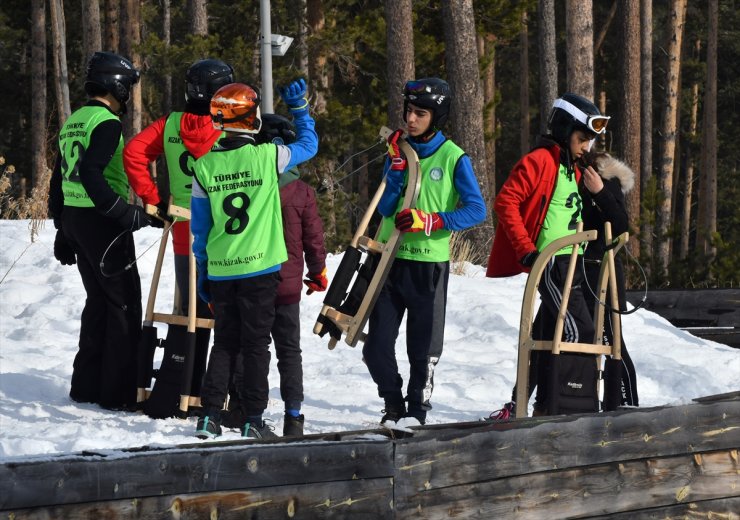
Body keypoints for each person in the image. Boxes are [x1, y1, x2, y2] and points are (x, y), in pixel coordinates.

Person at [191, 79, 319, 439]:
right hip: (260, 268)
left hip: (221, 269)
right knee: (256, 346)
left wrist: (203, 271)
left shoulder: (203, 167)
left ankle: (209, 415)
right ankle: (252, 418)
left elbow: (200, 229)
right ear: (252, 120)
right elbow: (309, 144)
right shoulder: (268, 157)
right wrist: (300, 109)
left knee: (224, 343)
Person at [362, 77, 487, 427]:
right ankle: (393, 404)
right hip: (390, 261)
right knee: (376, 346)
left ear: (437, 116)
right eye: (408, 111)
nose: (411, 119)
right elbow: (386, 208)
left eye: (420, 113)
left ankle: (416, 412)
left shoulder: (453, 157)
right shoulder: (399, 151)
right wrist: (396, 174)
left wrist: (429, 220)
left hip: (427, 266)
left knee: (422, 351)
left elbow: (477, 210)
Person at [486, 93, 610, 418]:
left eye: (590, 141)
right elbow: (506, 202)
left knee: (544, 333)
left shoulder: (576, 170)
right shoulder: (540, 161)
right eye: (582, 139)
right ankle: (559, 406)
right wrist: (526, 248)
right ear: (564, 129)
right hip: (553, 262)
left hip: (575, 264)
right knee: (574, 332)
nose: (586, 147)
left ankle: (519, 404)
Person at [48, 51, 159, 410]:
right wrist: (124, 213)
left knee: (97, 302)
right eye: (127, 86)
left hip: (78, 220)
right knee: (123, 306)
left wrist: (62, 228)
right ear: (117, 85)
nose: (128, 93)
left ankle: (86, 386)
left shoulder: (74, 120)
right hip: (102, 222)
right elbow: (92, 173)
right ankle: (118, 395)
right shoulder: (107, 123)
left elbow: (58, 178)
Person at [122, 59, 235, 413]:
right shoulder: (228, 129)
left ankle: (180, 383)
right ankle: (214, 392)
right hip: (224, 232)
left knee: (189, 306)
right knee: (225, 311)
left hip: (183, 230)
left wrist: (152, 197)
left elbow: (134, 151)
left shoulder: (170, 124)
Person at [222, 113, 328, 437]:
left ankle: (243, 408)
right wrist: (318, 271)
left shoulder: (254, 186)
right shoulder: (303, 192)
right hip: (289, 286)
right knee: (289, 350)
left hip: (253, 279)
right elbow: (314, 237)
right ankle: (293, 416)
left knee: (250, 347)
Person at [579, 150, 639, 409]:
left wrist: (599, 191)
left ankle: (626, 403)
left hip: (603, 272)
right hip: (578, 269)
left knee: (611, 340)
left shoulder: (607, 182)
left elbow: (621, 224)